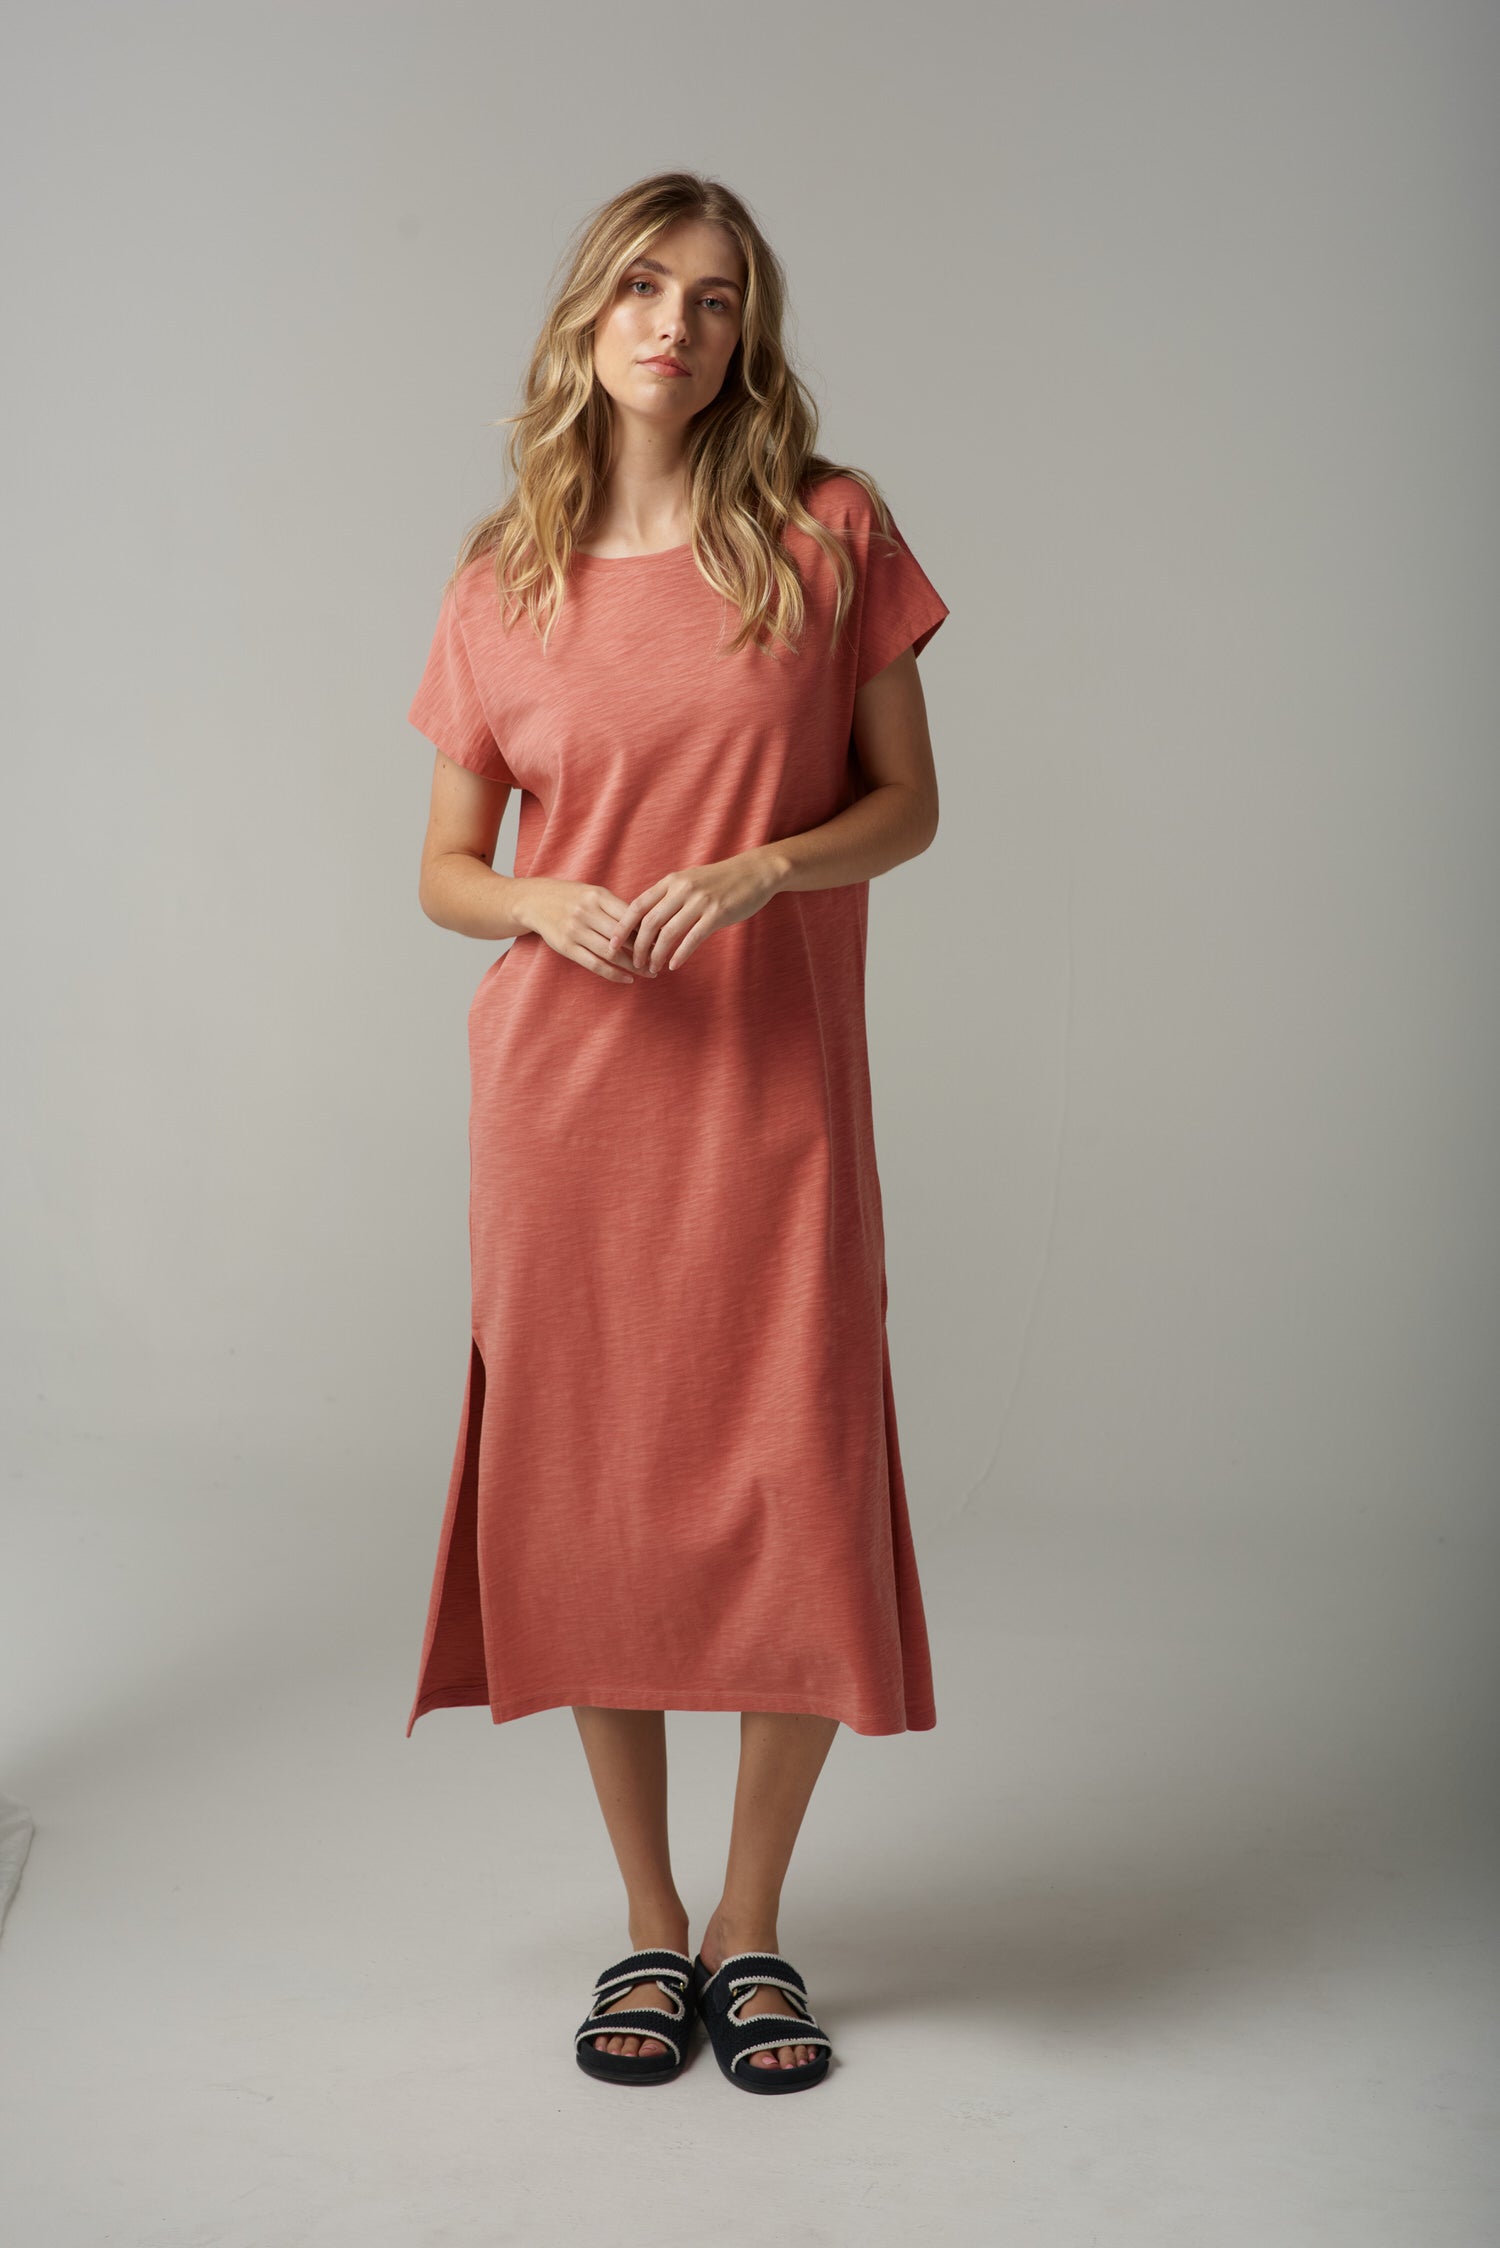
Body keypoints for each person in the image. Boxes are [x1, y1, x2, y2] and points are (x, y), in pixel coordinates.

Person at [404, 170, 949, 2093]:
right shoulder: (505, 575)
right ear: (588, 313)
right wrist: (538, 899)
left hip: (772, 1092)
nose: (678, 324)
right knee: (595, 1497)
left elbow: (909, 805)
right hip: (565, 1104)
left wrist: (765, 868)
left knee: (795, 1472)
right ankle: (650, 1922)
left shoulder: (828, 532)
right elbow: (445, 868)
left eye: (717, 298)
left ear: (747, 334)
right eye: (644, 286)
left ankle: (752, 1923)